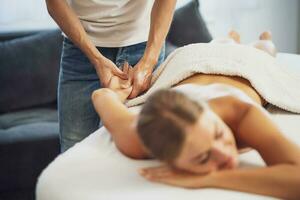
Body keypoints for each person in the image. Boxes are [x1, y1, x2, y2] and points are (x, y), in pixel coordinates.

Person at [91, 31, 300, 199]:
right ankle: (232, 38)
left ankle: (261, 39)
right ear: (168, 160)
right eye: (203, 157)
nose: (226, 155)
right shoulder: (138, 138)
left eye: (219, 133)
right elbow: (101, 96)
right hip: (194, 63)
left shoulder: (242, 114)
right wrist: (118, 93)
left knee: (264, 50)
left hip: (234, 64)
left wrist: (210, 178)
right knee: (220, 43)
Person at [45, 0, 177, 151]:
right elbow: (54, 3)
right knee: (73, 148)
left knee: (148, 145)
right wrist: (96, 60)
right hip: (81, 49)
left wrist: (148, 62)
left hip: (144, 49)